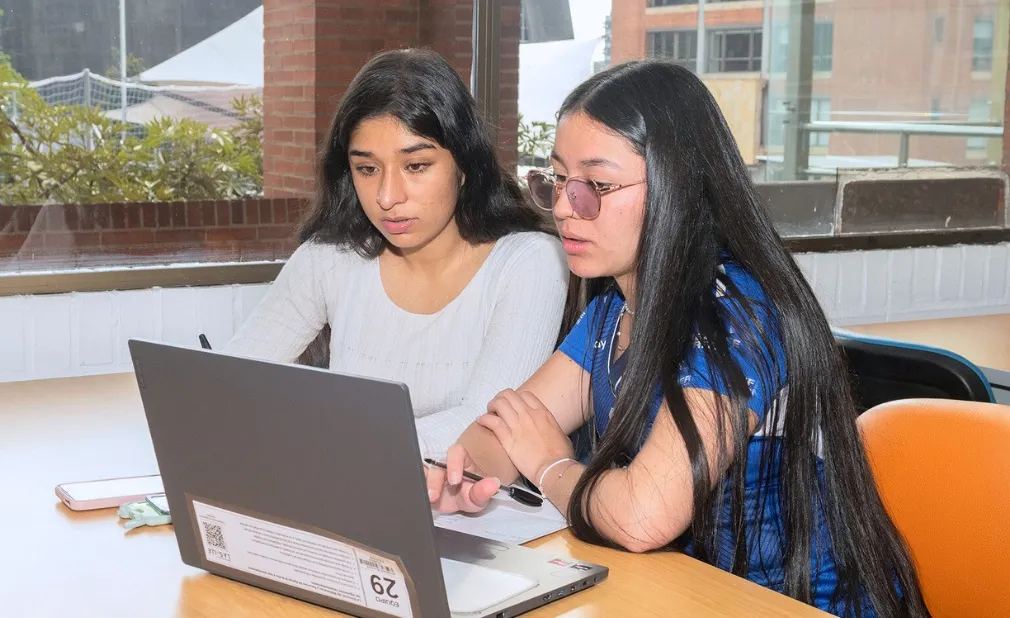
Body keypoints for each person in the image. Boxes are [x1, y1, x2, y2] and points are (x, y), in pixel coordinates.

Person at [426, 60, 928, 617]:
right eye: (559, 179)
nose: (567, 206)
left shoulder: (737, 313)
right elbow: (513, 425)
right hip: (681, 594)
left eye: (596, 184)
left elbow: (641, 516)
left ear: (678, 186)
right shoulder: (614, 311)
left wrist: (550, 467)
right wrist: (462, 475)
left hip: (793, 603)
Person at [224, 48, 570, 458]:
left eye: (416, 166)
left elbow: (487, 423)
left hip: (465, 512)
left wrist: (332, 444)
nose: (388, 197)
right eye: (367, 170)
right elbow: (229, 383)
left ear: (463, 164)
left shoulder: (528, 262)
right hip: (344, 492)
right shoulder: (329, 259)